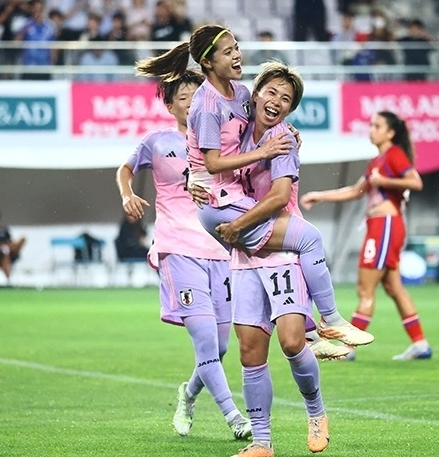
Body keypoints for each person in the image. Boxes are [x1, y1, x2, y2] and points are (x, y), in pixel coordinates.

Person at [138, 24, 374, 351]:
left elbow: (247, 134)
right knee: (308, 239)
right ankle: (329, 322)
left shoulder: (242, 95)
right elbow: (214, 162)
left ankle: (309, 333)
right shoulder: (207, 105)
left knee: (253, 348)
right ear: (208, 63)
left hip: (232, 200)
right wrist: (262, 152)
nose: (237, 55)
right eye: (228, 51)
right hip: (220, 203)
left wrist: (284, 132)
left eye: (237, 47)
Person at [115, 69, 252, 441]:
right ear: (172, 105)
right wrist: (128, 194)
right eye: (185, 97)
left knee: (221, 347)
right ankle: (235, 418)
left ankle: (188, 394)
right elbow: (125, 169)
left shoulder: (220, 144)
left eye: (198, 96)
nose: (193, 102)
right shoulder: (158, 142)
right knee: (206, 341)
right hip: (177, 249)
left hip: (219, 251)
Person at [223, 60, 330, 457]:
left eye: (286, 98)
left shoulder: (284, 140)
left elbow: (277, 198)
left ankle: (316, 412)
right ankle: (262, 442)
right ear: (255, 94)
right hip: (246, 256)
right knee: (250, 350)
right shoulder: (234, 132)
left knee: (290, 342)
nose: (277, 101)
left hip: (281, 247)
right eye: (271, 92)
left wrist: (235, 229)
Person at [300, 111, 433, 362]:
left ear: (390, 132)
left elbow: (415, 182)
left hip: (385, 226)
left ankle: (348, 349)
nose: (371, 129)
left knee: (365, 289)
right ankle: (420, 344)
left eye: (377, 126)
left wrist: (383, 180)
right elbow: (355, 191)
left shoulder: (393, 155)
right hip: (383, 226)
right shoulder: (378, 160)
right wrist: (320, 195)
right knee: (394, 288)